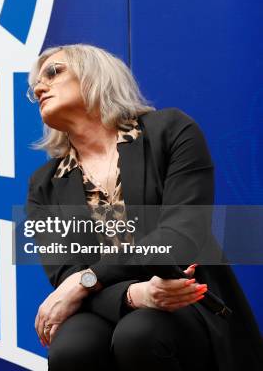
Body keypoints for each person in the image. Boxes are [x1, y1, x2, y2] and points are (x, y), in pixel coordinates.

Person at [25, 44, 263, 371]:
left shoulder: (171, 131)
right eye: (35, 84)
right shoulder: (44, 185)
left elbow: (181, 236)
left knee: (139, 334)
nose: (39, 87)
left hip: (186, 297)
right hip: (105, 305)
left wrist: (91, 277)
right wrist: (135, 295)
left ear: (95, 74)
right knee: (71, 350)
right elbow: (66, 273)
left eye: (53, 72)